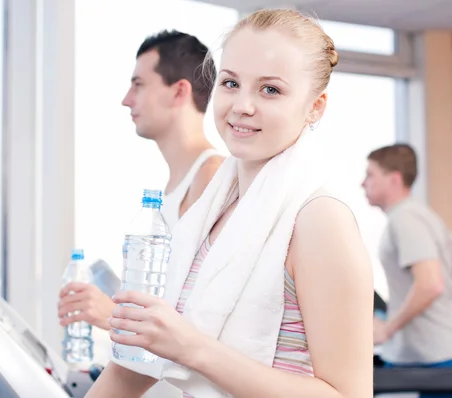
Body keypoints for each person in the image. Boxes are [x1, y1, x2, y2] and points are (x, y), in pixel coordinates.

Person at [85, 8, 374, 398]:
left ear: (315, 107)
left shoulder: (320, 220)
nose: (242, 105)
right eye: (231, 83)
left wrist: (193, 349)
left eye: (270, 89)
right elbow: (138, 364)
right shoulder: (214, 213)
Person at [58, 30, 223, 397]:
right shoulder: (168, 194)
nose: (126, 99)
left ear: (179, 91)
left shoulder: (212, 178)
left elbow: (208, 322)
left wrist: (112, 316)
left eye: (138, 84)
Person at [363, 144, 452, 397]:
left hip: (433, 360)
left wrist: (387, 328)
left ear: (394, 179)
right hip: (426, 355)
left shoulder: (406, 219)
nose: (363, 183)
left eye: (370, 175)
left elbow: (430, 284)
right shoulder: (415, 216)